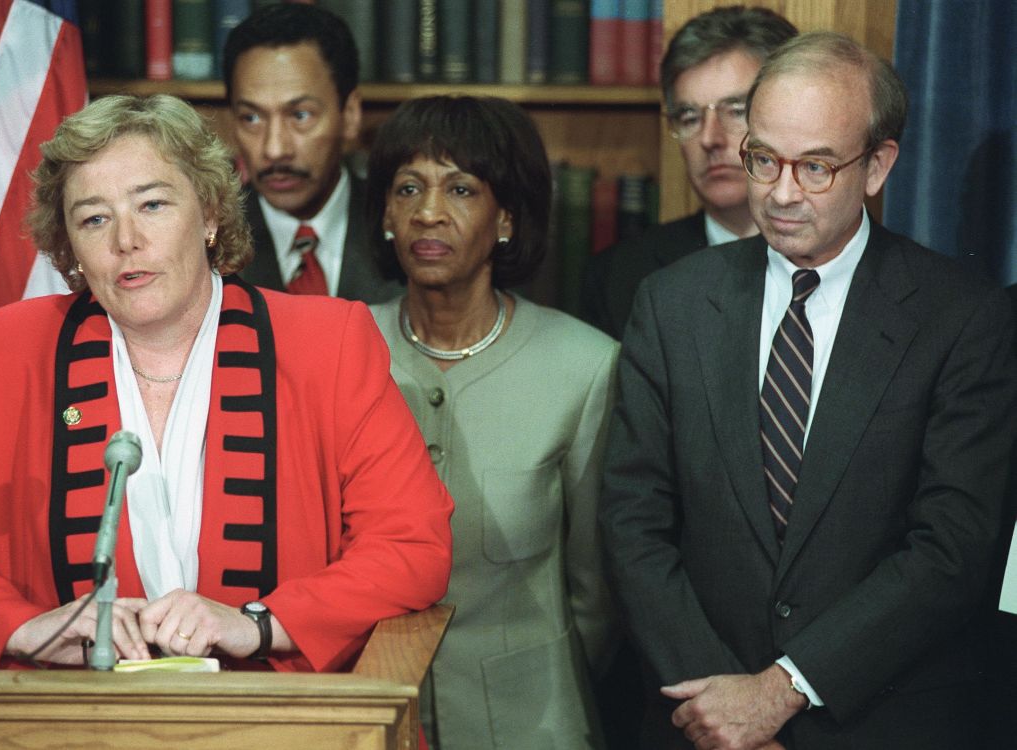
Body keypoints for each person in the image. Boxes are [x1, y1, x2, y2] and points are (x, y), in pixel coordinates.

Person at [0, 94, 453, 672]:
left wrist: (258, 624)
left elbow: (411, 546)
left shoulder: (329, 344)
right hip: (70, 718)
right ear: (69, 247)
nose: (126, 241)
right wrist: (20, 627)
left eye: (153, 205)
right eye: (94, 218)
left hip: (279, 717)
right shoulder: (3, 355)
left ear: (211, 214)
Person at [600, 31, 1017, 750]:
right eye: (763, 159)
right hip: (697, 718)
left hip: (879, 722)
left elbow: (952, 547)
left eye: (816, 167)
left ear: (878, 165)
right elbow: (633, 521)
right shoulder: (670, 303)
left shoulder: (963, 318)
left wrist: (781, 689)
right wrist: (722, 708)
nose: (782, 192)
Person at [366, 96, 617, 749]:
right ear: (386, 214)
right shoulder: (341, 350)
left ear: (506, 217)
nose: (429, 212)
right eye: (408, 188)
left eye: (461, 189)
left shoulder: (583, 366)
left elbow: (597, 591)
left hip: (531, 717)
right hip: (370, 712)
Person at [581, 6, 797, 339]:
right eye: (689, 117)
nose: (709, 139)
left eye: (736, 110)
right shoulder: (621, 275)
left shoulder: (837, 258)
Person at [222, 3, 401, 302]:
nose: (275, 149)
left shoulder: (404, 232)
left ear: (350, 114)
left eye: (300, 116)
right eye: (251, 118)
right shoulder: (207, 247)